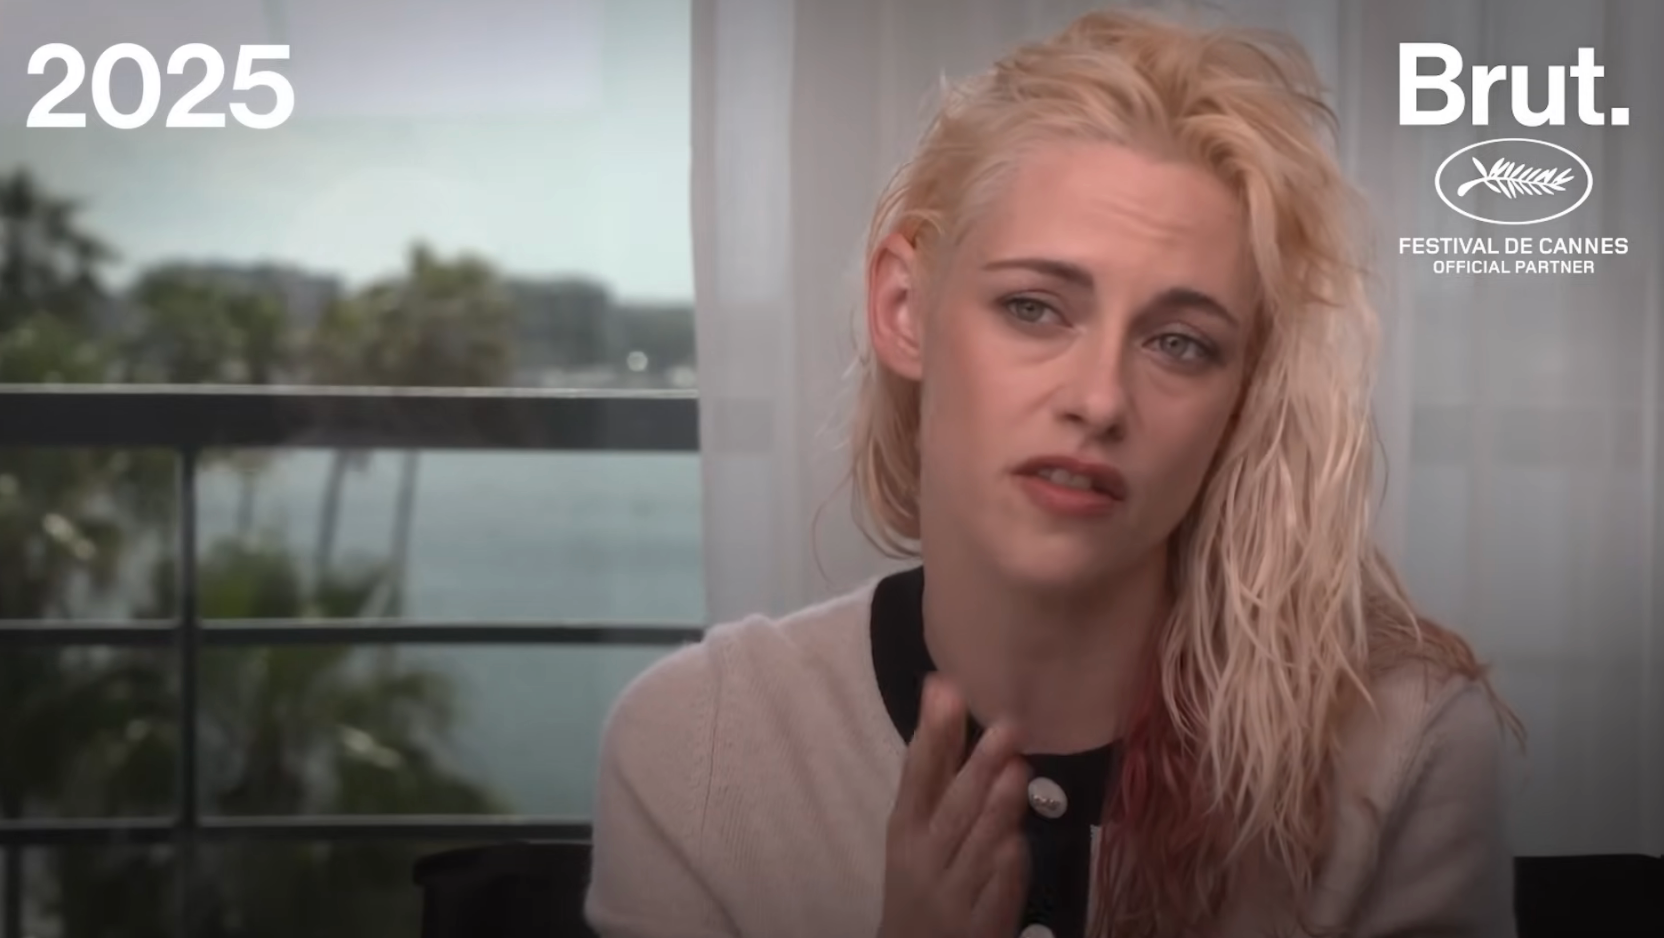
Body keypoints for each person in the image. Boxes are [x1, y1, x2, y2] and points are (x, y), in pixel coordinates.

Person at [585, 8, 1522, 938]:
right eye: (1034, 309)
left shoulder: (1401, 752)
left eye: (1181, 343)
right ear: (905, 309)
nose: (1100, 399)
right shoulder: (700, 745)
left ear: (1240, 398)